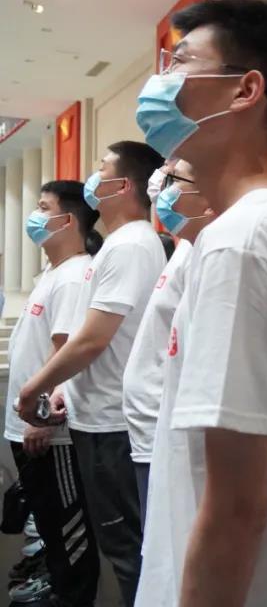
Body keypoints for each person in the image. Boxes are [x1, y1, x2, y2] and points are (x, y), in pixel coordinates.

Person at [131, 0, 267, 606]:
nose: (162, 82)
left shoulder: (243, 242)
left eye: (181, 63)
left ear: (245, 90)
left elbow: (237, 508)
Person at [16, 141, 167, 607]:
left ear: (122, 186)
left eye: (101, 168)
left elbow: (91, 339)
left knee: (127, 549)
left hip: (113, 421)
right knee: (120, 545)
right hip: (98, 416)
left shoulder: (131, 245)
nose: (92, 177)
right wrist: (63, 386)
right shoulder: (119, 245)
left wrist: (35, 388)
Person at [5, 180, 103, 607]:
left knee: (69, 539)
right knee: (50, 531)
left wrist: (42, 418)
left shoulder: (76, 276)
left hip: (51, 433)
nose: (35, 216)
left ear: (68, 220)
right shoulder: (52, 273)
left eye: (44, 208)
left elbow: (66, 352)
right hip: (30, 426)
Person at [122, 159, 215, 524]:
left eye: (175, 177)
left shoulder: (208, 252)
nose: (164, 185)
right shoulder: (184, 248)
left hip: (167, 429)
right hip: (149, 426)